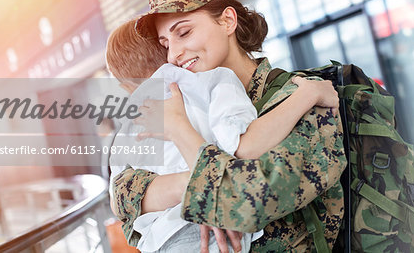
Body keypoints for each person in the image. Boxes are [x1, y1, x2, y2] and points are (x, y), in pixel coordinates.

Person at [106, 19, 341, 252]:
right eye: (166, 43)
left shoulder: (289, 93)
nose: (174, 54)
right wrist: (198, 187)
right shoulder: (190, 97)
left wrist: (186, 179)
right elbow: (122, 199)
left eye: (185, 32)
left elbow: (246, 200)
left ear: (228, 21)